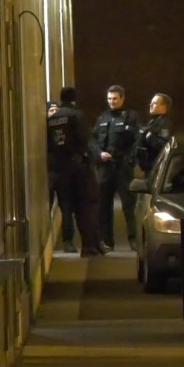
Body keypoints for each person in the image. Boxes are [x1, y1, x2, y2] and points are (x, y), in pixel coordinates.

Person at [47, 87, 109, 257]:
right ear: (74, 99)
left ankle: (68, 242)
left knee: (66, 207)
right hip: (79, 168)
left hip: (59, 170)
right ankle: (89, 246)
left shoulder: (51, 119)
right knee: (86, 206)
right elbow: (86, 139)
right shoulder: (77, 116)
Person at [90, 85, 141, 250]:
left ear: (122, 99)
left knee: (128, 204)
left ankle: (133, 239)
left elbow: (137, 140)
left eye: (115, 99)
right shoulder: (102, 118)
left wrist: (131, 160)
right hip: (105, 169)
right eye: (109, 99)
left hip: (122, 167)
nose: (112, 102)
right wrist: (99, 153)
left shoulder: (131, 117)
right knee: (103, 206)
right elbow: (92, 140)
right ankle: (107, 241)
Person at [46, 100, 76, 252]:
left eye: (57, 111)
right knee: (47, 207)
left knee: (66, 208)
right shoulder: (43, 130)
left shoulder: (65, 131)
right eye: (51, 111)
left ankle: (68, 241)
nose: (55, 114)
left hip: (64, 172)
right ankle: (47, 241)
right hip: (49, 173)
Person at [132, 93, 172, 175]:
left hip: (156, 168)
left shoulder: (165, 123)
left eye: (154, 103)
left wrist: (149, 136)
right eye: (151, 103)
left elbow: (163, 145)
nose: (150, 105)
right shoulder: (154, 121)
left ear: (163, 106)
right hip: (148, 167)